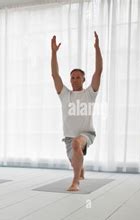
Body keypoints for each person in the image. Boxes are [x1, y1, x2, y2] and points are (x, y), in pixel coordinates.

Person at [51, 32, 103, 191]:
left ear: (84, 79)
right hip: (69, 137)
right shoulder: (65, 95)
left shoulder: (90, 93)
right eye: (72, 77)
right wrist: (53, 53)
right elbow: (55, 75)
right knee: (74, 161)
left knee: (76, 144)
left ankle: (75, 182)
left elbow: (98, 71)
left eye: (78, 77)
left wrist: (97, 49)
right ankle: (80, 170)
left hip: (86, 134)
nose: (74, 80)